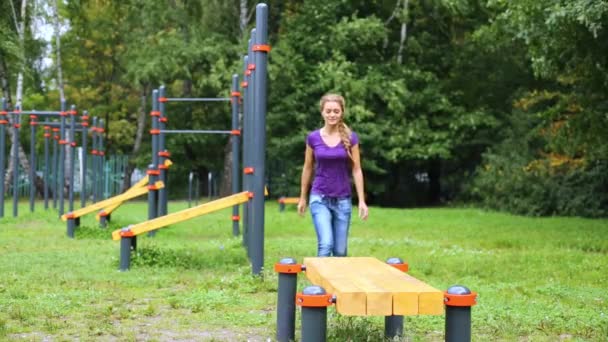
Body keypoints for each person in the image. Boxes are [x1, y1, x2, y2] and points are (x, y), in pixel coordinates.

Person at [297, 93, 369, 257]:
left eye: (336, 111)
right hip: (319, 198)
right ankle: (319, 284)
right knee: (326, 244)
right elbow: (308, 167)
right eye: (328, 111)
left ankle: (335, 283)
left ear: (342, 112)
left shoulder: (351, 138)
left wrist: (362, 201)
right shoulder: (313, 138)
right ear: (322, 112)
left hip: (343, 200)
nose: (332, 115)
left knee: (340, 252)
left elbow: (357, 169)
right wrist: (302, 197)